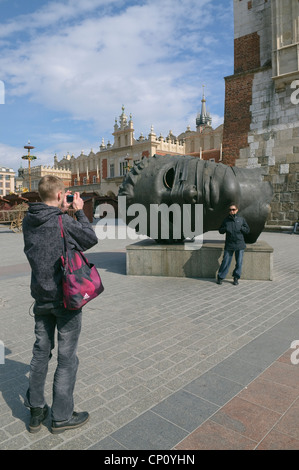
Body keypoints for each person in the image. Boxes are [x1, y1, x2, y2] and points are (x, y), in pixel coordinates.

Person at [22, 175, 98, 434]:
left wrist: (63, 212)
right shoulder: (62, 220)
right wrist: (79, 212)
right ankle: (61, 417)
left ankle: (35, 412)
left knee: (40, 354)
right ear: (58, 196)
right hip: (67, 299)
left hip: (41, 299)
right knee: (67, 359)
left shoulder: (28, 220)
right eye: (65, 195)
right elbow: (89, 239)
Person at [216, 203, 250, 286]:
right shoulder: (226, 220)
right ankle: (220, 277)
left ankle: (236, 277)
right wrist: (225, 228)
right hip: (229, 244)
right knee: (226, 261)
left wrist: (241, 228)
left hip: (239, 244)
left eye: (233, 209)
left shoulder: (241, 219)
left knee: (239, 262)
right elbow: (220, 230)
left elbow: (247, 230)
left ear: (237, 210)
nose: (231, 211)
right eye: (230, 210)